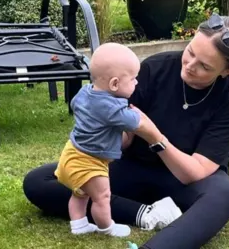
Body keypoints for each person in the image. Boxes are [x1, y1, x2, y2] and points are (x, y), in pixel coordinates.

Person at [23, 13, 229, 249]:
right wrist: (97, 129)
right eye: (191, 52)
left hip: (183, 182)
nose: (190, 65)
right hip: (133, 167)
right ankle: (144, 213)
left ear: (228, 71)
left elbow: (193, 172)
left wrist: (154, 136)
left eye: (205, 66)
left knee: (225, 196)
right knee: (40, 180)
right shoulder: (155, 68)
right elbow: (123, 142)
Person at [53, 42, 160, 237]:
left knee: (80, 193)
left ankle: (78, 225)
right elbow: (136, 121)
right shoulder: (112, 109)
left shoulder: (85, 92)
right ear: (114, 84)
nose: (137, 83)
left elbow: (75, 104)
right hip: (91, 162)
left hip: (72, 152)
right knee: (102, 197)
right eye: (134, 79)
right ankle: (106, 227)